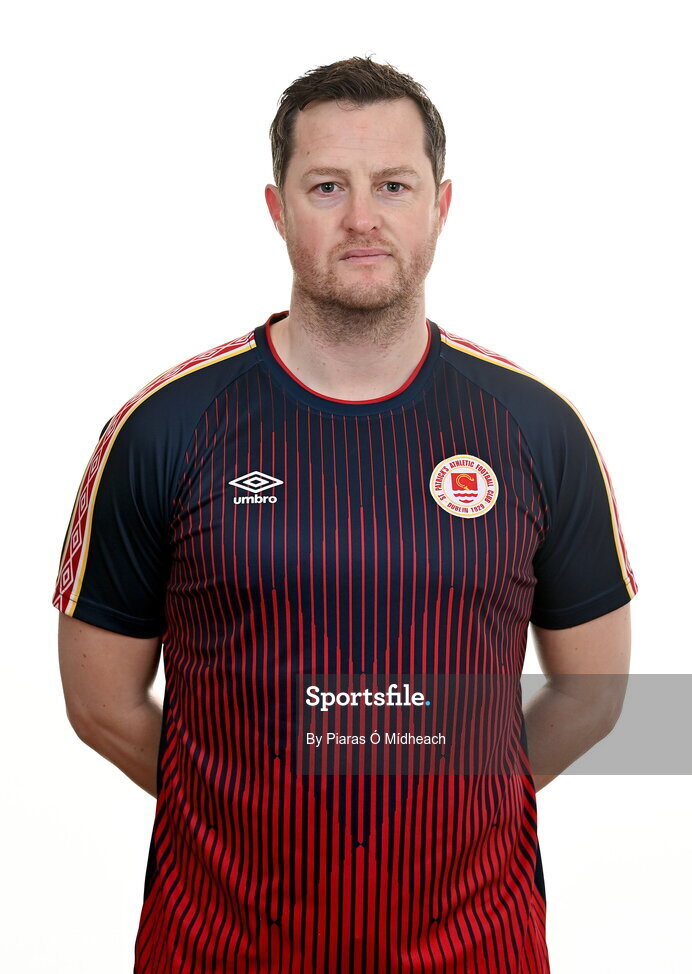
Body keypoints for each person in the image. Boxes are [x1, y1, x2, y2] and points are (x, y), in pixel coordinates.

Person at [53, 55, 637, 974]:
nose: (362, 217)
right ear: (278, 207)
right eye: (327, 185)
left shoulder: (535, 429)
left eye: (392, 185)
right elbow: (100, 704)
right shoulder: (164, 429)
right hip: (220, 948)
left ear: (440, 207)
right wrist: (248, 808)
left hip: (478, 948)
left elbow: (594, 694)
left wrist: (458, 802)